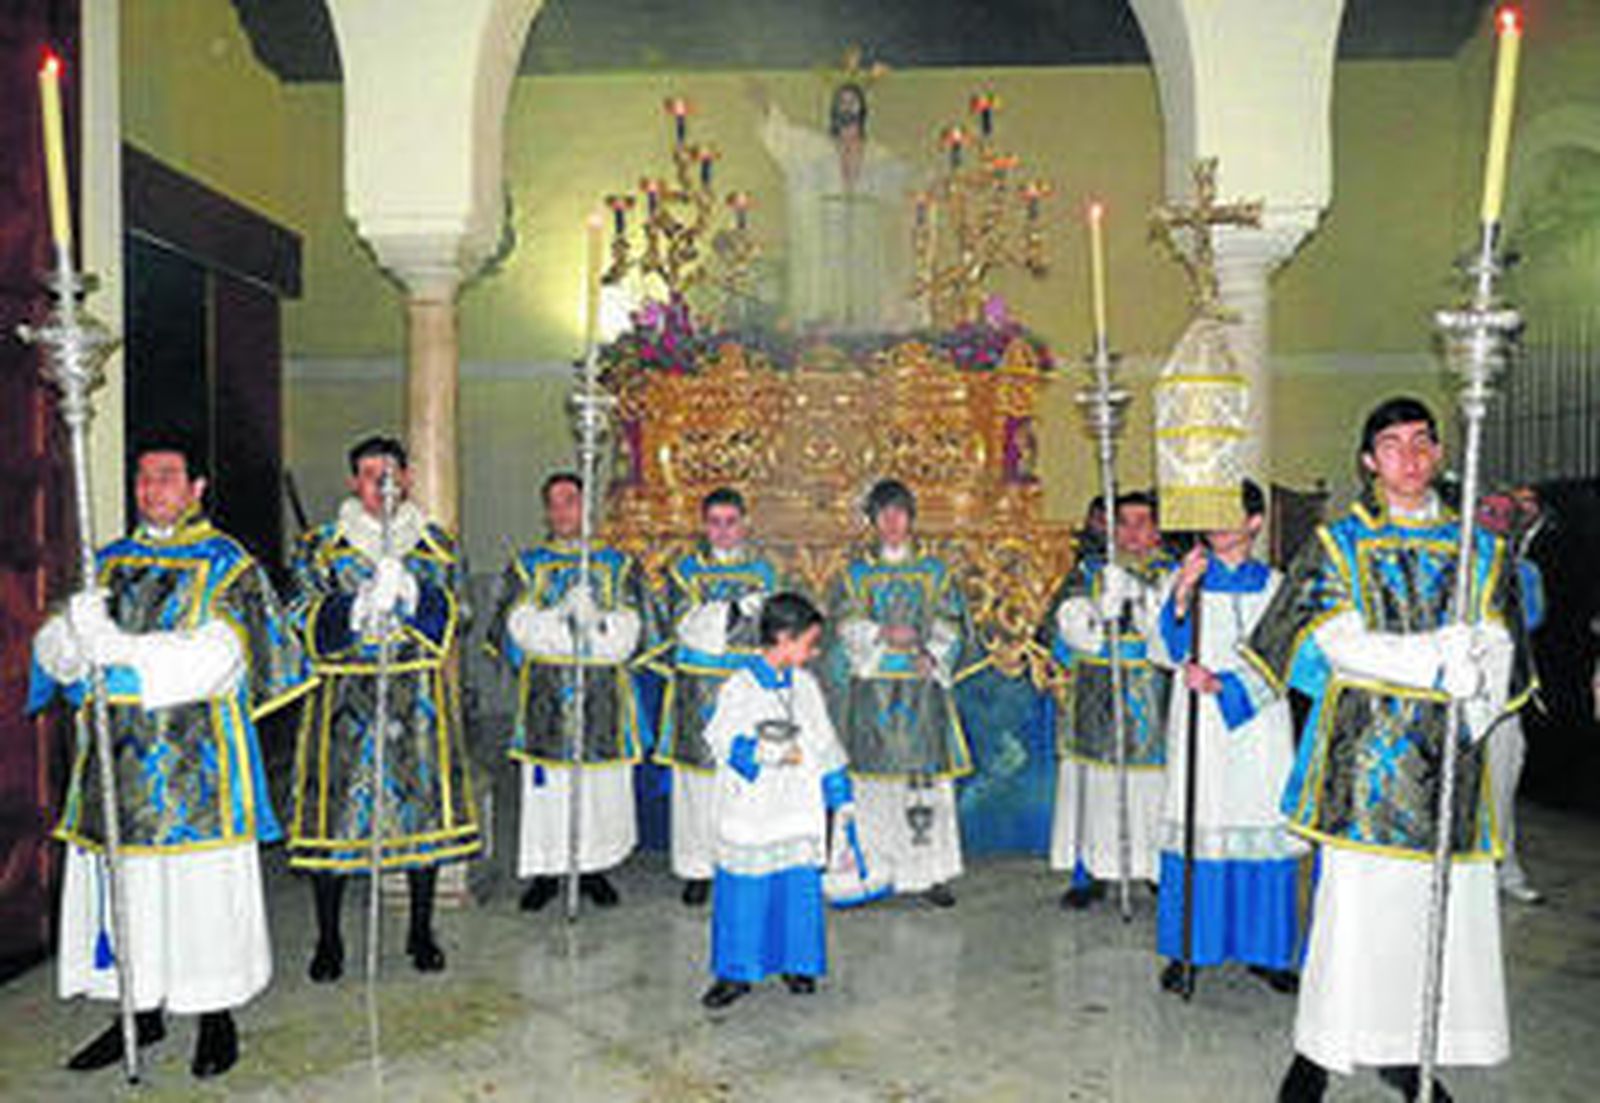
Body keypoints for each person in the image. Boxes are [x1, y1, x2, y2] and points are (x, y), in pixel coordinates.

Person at [1246, 398, 1532, 1103]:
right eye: (1392, 444)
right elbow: (1331, 641)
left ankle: (1411, 1052)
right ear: (1369, 461)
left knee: (1431, 916)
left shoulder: (1483, 548)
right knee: (1353, 914)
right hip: (1364, 764)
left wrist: (1477, 677)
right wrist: (1436, 661)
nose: (1409, 456)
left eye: (1422, 442)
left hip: (1448, 761)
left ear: (1438, 452)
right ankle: (1319, 1050)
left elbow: (1503, 643)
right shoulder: (1339, 541)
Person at [29, 436, 311, 1078]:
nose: (150, 488)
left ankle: (216, 1017)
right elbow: (56, 653)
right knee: (127, 895)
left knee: (199, 895)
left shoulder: (227, 566)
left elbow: (218, 660)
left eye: (166, 476)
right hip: (116, 769)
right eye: (141, 478)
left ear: (196, 488)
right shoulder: (106, 563)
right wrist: (72, 640)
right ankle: (137, 1011)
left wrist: (117, 654)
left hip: (196, 770)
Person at [287, 435, 481, 980]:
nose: (382, 485)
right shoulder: (321, 545)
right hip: (342, 699)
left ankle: (421, 931)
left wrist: (415, 598)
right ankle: (329, 939)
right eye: (371, 475)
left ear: (409, 479)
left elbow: (460, 611)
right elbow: (297, 613)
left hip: (414, 694)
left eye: (391, 474)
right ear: (354, 482)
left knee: (419, 817)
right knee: (336, 821)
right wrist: (353, 608)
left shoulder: (435, 544)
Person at [1149, 479, 1305, 995]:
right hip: (1201, 725)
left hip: (1260, 726)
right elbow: (1161, 646)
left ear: (1255, 523)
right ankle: (1190, 948)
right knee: (1202, 823)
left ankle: (1268, 951)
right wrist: (1181, 594)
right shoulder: (1187, 574)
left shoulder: (1277, 586)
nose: (1218, 520)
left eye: (1231, 510)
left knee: (1259, 822)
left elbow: (1289, 658)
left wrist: (1226, 686)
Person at [487, 472, 647, 911]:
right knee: (548, 789)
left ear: (587, 506)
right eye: (554, 503)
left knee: (600, 786)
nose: (561, 512)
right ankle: (547, 870)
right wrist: (561, 621)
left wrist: (595, 624)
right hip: (546, 699)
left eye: (571, 501)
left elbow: (632, 634)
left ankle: (595, 868)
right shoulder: (528, 565)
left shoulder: (619, 565)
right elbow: (514, 628)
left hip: (602, 698)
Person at [700, 592, 855, 1009]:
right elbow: (718, 738)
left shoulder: (805, 685)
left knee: (795, 887)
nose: (815, 651)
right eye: (809, 642)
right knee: (745, 890)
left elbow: (823, 739)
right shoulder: (741, 686)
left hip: (796, 809)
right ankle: (735, 972)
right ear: (784, 639)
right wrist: (769, 754)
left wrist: (838, 783)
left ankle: (796, 961)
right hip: (752, 809)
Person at [825, 478, 975, 907]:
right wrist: (881, 634)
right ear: (872, 521)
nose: (891, 522)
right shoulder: (855, 576)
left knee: (924, 786)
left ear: (911, 519)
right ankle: (871, 869)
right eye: (883, 514)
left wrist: (933, 651)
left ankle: (930, 874)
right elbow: (843, 625)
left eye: (899, 513)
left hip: (921, 690)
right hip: (873, 694)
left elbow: (952, 620)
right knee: (873, 787)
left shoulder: (935, 573)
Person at [649, 488, 781, 906]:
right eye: (714, 522)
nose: (723, 531)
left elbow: (777, 631)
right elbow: (684, 626)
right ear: (703, 525)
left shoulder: (767, 572)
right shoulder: (684, 571)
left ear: (745, 523)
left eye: (731, 522)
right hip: (699, 691)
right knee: (699, 782)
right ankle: (698, 867)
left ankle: (744, 860)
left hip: (748, 690)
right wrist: (737, 612)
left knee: (746, 777)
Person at [1047, 491, 1176, 908]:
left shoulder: (1175, 573)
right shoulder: (1089, 572)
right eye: (1124, 522)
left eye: (1143, 522)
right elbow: (1064, 626)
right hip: (1098, 691)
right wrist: (1098, 609)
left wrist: (1139, 598)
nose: (1133, 532)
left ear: (1157, 529)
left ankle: (1156, 868)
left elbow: (1176, 631)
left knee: (1152, 787)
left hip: (1153, 693)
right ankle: (1094, 871)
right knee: (1096, 787)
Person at [749, 78, 917, 334]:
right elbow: (786, 140)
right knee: (825, 299)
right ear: (834, 109)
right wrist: (766, 107)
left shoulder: (877, 154)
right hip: (825, 240)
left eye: (853, 102)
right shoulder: (816, 149)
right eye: (842, 102)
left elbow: (904, 183)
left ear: (862, 109)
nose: (847, 107)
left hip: (864, 242)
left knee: (868, 301)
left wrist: (929, 185)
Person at [1475, 489, 1546, 904]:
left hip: (1503, 697)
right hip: (1453, 696)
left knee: (1501, 785)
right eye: (1488, 510)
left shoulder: (1525, 571)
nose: (1496, 520)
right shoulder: (1454, 562)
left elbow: (1531, 618)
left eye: (1504, 514)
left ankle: (1505, 868)